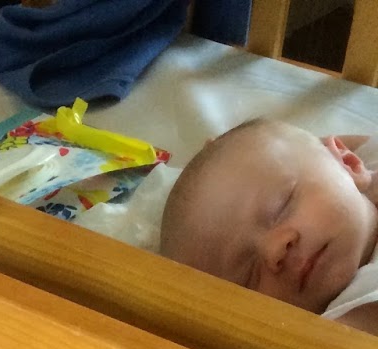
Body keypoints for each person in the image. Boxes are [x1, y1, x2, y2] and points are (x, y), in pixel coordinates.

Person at [159, 117, 378, 331]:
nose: (274, 251)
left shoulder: (365, 162)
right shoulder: (353, 319)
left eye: (281, 207)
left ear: (349, 163)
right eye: (249, 278)